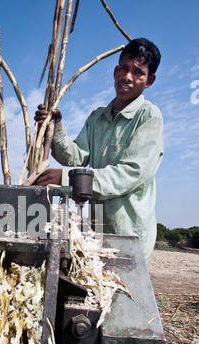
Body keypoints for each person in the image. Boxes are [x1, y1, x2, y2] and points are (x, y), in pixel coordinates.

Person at [34, 38, 163, 264]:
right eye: (123, 68)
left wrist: (66, 178)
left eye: (137, 72)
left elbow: (129, 174)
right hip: (97, 229)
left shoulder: (149, 117)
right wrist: (54, 129)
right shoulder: (97, 117)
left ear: (149, 80)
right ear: (115, 72)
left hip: (130, 233)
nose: (127, 77)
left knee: (123, 295)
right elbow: (75, 156)